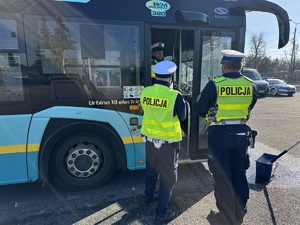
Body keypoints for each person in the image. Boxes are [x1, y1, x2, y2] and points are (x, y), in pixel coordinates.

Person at [196, 49, 258, 225]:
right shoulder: (250, 84)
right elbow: (251, 104)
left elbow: (200, 110)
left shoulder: (214, 85)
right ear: (240, 66)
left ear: (224, 65)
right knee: (239, 173)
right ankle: (239, 212)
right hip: (241, 136)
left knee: (223, 178)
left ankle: (226, 217)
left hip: (220, 137)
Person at [140, 60, 186, 224]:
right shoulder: (175, 95)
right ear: (170, 78)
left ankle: (148, 197)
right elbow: (183, 116)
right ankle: (162, 212)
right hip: (168, 144)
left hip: (150, 141)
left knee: (151, 171)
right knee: (168, 177)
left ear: (156, 76)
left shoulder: (145, 92)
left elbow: (146, 111)